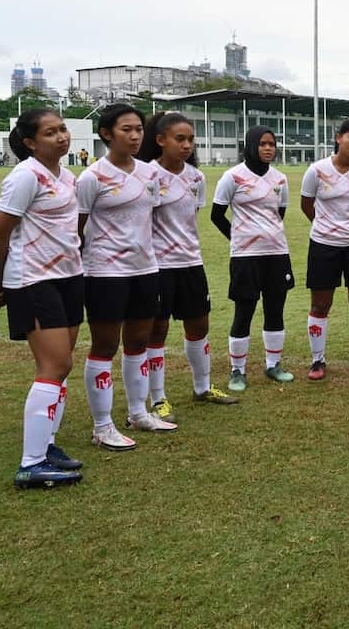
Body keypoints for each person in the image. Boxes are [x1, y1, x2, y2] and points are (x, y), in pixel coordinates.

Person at [0, 109, 85, 487]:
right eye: (50, 132)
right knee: (54, 365)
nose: (61, 136)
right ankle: (30, 464)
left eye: (62, 129)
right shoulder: (25, 176)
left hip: (68, 277)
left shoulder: (67, 175)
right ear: (30, 142)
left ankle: (47, 446)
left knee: (63, 366)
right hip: (33, 279)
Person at [77, 104, 175, 450]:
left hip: (146, 269)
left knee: (138, 343)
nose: (135, 136)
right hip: (105, 273)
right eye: (126, 130)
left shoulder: (151, 174)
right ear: (106, 134)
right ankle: (102, 426)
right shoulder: (92, 177)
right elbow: (77, 229)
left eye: (138, 129)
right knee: (105, 345)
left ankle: (138, 412)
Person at [139, 112, 237, 418]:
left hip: (191, 262)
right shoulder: (147, 176)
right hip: (157, 266)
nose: (187, 145)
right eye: (179, 139)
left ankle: (202, 387)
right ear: (160, 140)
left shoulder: (197, 178)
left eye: (190, 139)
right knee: (158, 329)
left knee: (199, 325)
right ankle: (158, 397)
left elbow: (190, 220)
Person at [211, 126, 295, 392]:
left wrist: (266, 235)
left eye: (272, 144)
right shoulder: (233, 177)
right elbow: (216, 215)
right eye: (263, 144)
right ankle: (238, 371)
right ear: (251, 145)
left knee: (275, 310)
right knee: (244, 311)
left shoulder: (280, 179)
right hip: (245, 257)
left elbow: (278, 213)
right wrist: (238, 238)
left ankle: (273, 365)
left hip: (277, 254)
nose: (269, 148)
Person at [300, 119, 349, 380]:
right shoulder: (317, 170)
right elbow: (306, 204)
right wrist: (326, 226)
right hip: (323, 245)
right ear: (338, 138)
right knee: (321, 303)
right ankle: (317, 360)